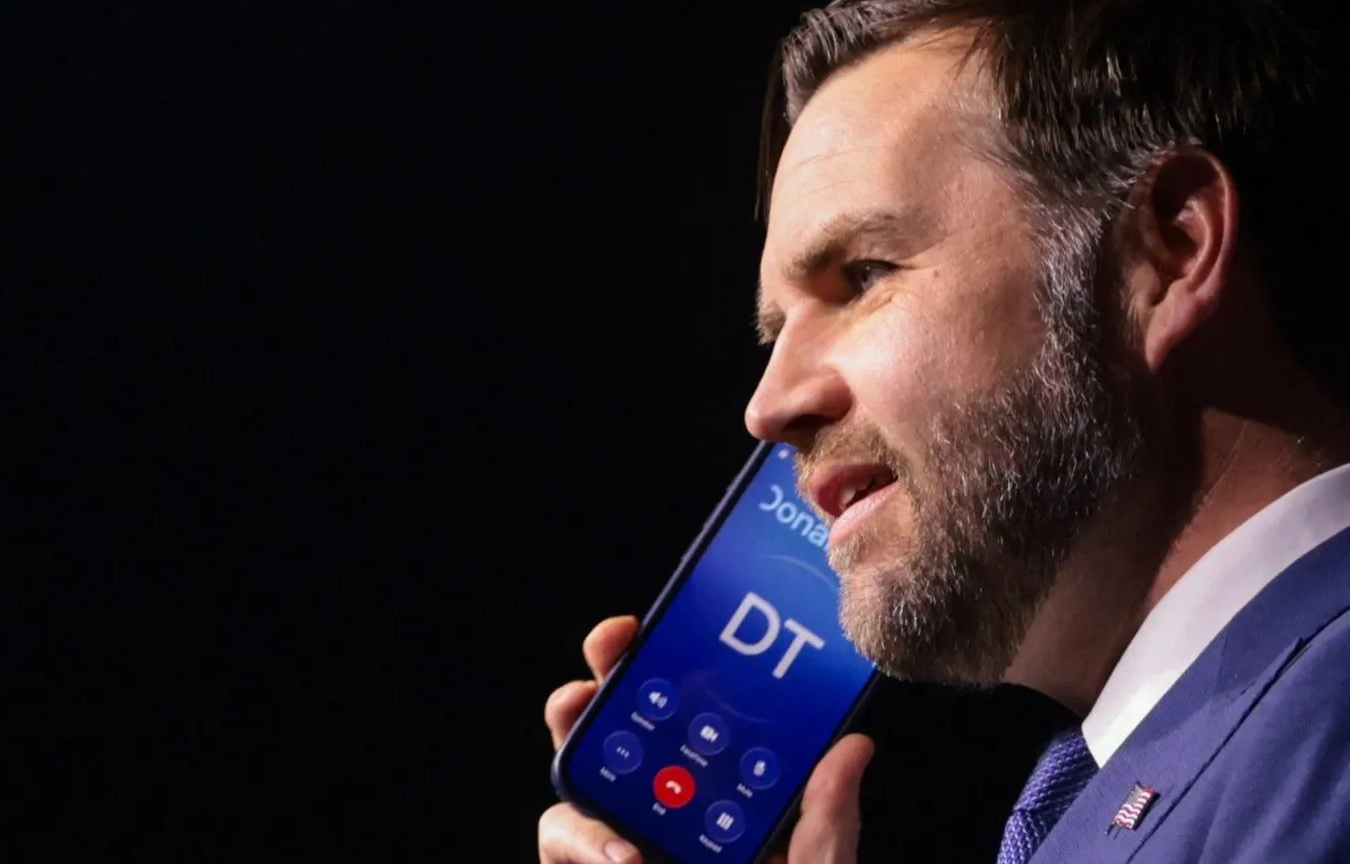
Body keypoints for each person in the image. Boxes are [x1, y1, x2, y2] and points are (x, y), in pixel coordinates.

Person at [538, 0, 1350, 862]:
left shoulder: (1319, 730)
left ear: (1170, 250)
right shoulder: (1179, 763)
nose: (768, 407)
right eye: (778, 333)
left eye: (862, 277)